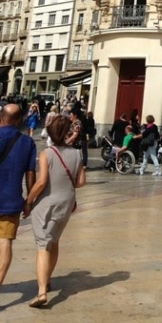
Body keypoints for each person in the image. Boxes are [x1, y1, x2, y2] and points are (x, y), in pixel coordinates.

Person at [24, 113, 86, 308]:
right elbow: (81, 182)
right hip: (66, 203)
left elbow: (41, 182)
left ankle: (42, 291)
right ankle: (48, 279)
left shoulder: (47, 153)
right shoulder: (77, 154)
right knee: (55, 241)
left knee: (43, 245)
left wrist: (29, 200)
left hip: (47, 204)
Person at [0, 103, 38, 290]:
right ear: (19, 120)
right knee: (5, 242)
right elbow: (31, 174)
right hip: (11, 200)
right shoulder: (27, 142)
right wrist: (29, 201)